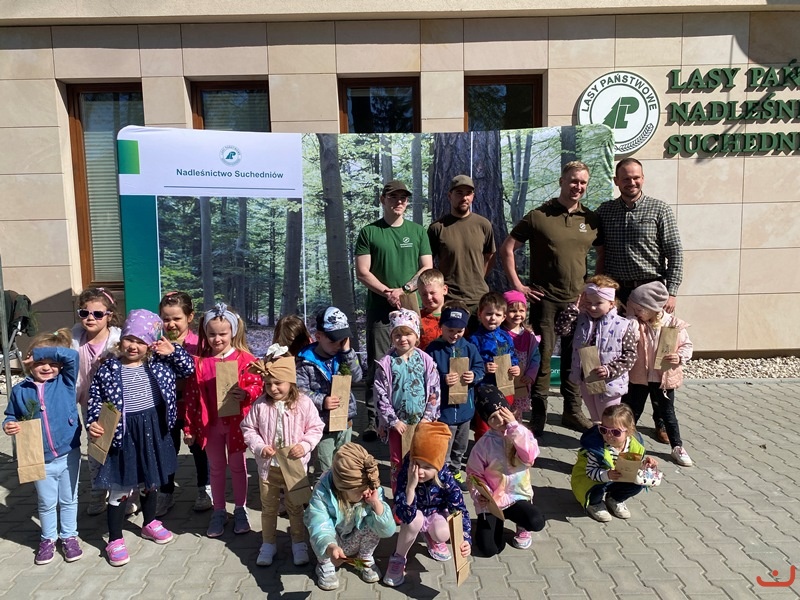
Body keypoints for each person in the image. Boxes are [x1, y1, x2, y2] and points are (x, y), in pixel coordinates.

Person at [499, 160, 602, 435]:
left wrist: (592, 289)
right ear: (561, 181)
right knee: (543, 358)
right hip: (545, 301)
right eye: (573, 181)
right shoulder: (538, 216)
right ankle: (539, 415)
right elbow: (507, 249)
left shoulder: (591, 220)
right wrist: (518, 285)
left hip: (578, 302)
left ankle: (572, 411)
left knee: (576, 357)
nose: (577, 186)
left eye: (582, 182)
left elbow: (601, 254)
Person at [87, 309, 195, 566]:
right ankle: (115, 538)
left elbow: (188, 369)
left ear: (150, 344)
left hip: (153, 429)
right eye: (129, 339)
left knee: (151, 480)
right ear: (121, 339)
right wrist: (92, 422)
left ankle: (150, 522)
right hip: (123, 433)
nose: (133, 346)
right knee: (121, 485)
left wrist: (174, 351)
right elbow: (95, 397)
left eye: (140, 341)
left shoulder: (160, 363)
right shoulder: (109, 367)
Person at [597, 158, 684, 444]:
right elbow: (599, 252)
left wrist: (672, 291)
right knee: (626, 356)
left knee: (659, 359)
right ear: (616, 181)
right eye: (625, 178)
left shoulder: (659, 209)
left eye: (636, 177)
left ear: (643, 178)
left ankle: (662, 420)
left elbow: (675, 252)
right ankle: (621, 420)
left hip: (653, 294)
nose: (631, 182)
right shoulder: (605, 211)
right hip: (620, 296)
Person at [355, 180, 433, 443]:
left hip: (410, 307)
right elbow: (362, 272)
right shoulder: (369, 232)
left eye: (403, 197)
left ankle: (412, 414)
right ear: (383, 200)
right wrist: (387, 292)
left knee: (411, 361)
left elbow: (427, 267)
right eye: (393, 197)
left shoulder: (417, 231)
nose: (399, 201)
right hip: (379, 308)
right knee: (379, 363)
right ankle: (374, 421)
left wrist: (405, 289)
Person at [183, 303, 263, 538]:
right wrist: (189, 427)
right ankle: (218, 510)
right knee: (216, 468)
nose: (217, 339)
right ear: (205, 333)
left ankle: (240, 508)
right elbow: (192, 397)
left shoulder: (245, 359)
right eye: (211, 334)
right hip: (211, 425)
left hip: (237, 424)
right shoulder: (199, 362)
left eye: (222, 334)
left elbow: (257, 385)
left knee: (238, 466)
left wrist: (246, 393)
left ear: (233, 332)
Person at [241, 345, 325, 567]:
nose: (273, 388)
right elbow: (248, 428)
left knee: (295, 506)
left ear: (291, 382)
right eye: (268, 384)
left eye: (278, 383)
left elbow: (316, 427)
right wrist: (260, 447)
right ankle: (268, 543)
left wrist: (305, 445)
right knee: (268, 507)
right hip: (268, 468)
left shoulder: (303, 403)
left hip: (294, 468)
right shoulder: (261, 405)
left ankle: (298, 542)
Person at [4, 330, 82, 565]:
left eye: (52, 362)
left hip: (68, 452)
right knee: (46, 502)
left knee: (68, 499)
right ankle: (48, 538)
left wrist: (40, 353)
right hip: (39, 456)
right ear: (29, 362)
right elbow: (11, 415)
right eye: (40, 362)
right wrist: (9, 425)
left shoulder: (65, 382)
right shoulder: (20, 390)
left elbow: (72, 356)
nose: (46, 367)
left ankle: (69, 536)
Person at [384, 421, 472, 587]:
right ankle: (398, 557)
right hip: (413, 513)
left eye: (427, 467)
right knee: (413, 521)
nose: (420, 471)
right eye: (416, 463)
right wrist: (410, 487)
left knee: (443, 533)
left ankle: (432, 537)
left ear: (438, 466)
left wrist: (465, 538)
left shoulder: (445, 477)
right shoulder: (407, 472)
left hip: (434, 513)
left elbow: (459, 509)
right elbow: (404, 515)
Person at [304, 443, 395, 591]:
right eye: (360, 490)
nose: (367, 492)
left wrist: (376, 504)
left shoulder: (371, 487)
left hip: (355, 538)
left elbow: (388, 531)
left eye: (369, 488)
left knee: (375, 521)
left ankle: (363, 559)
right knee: (317, 531)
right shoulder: (322, 491)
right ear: (343, 487)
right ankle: (325, 564)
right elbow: (319, 525)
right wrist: (330, 547)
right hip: (333, 542)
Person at [466, 386, 545, 557]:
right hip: (493, 501)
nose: (500, 420)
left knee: (536, 521)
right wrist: (481, 493)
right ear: (487, 422)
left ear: (508, 410)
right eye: (493, 418)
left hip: (518, 496)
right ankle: (496, 524)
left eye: (502, 413)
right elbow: (473, 474)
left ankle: (522, 524)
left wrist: (514, 428)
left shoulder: (522, 432)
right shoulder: (483, 445)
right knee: (490, 549)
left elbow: (529, 457)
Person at [624, 281, 694, 467]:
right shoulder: (636, 323)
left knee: (667, 414)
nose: (636, 313)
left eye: (639, 309)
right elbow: (629, 336)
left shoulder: (673, 324)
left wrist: (679, 357)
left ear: (653, 308)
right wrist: (631, 319)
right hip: (640, 377)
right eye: (633, 309)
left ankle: (677, 446)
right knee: (631, 411)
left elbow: (687, 345)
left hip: (663, 379)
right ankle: (623, 443)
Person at [156, 291, 211, 516]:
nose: (171, 324)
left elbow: (200, 373)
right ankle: (166, 492)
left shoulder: (199, 344)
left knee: (199, 450)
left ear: (189, 317)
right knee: (167, 449)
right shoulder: (156, 344)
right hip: (166, 408)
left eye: (176, 318)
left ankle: (204, 489)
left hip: (193, 407)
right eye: (166, 319)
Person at [554, 276, 638, 423]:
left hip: (609, 383)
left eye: (598, 303)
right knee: (596, 420)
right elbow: (561, 330)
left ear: (611, 303)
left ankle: (613, 437)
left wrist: (610, 369)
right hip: (587, 378)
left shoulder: (623, 325)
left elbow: (630, 355)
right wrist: (573, 310)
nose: (592, 307)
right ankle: (599, 436)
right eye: (588, 303)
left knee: (610, 419)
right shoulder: (580, 320)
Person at [374, 309, 441, 493]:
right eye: (397, 335)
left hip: (421, 423)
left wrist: (428, 417)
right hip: (398, 425)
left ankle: (419, 497)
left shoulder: (426, 361)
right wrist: (393, 420)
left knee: (421, 460)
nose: (402, 339)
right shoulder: (386, 363)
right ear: (391, 337)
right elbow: (380, 395)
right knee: (398, 462)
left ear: (416, 335)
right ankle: (400, 498)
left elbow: (434, 391)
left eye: (408, 334)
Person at [70, 287, 122, 516]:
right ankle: (98, 491)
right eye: (85, 313)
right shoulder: (74, 339)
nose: (90, 318)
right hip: (86, 401)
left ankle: (124, 492)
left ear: (109, 315)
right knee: (95, 447)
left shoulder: (118, 341)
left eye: (98, 314)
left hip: (114, 403)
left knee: (118, 446)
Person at [296, 307, 363, 476]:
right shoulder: (305, 361)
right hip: (322, 427)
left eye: (342, 340)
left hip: (345, 423)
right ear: (319, 336)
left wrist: (347, 352)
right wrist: (322, 400)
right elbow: (299, 391)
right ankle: (323, 491)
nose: (338, 345)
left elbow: (357, 377)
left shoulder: (344, 355)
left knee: (345, 465)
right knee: (325, 469)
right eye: (333, 340)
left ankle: (342, 491)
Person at [424, 304, 485, 490]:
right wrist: (442, 379)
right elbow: (425, 374)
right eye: (450, 330)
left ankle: (456, 469)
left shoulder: (469, 348)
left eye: (460, 331)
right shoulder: (433, 349)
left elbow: (480, 367)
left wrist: (474, 376)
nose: (455, 334)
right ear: (441, 327)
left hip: (465, 410)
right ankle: (442, 472)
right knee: (445, 445)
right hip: (444, 411)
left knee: (460, 445)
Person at [571, 404, 658, 522]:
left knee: (637, 484)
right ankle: (594, 503)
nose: (608, 435)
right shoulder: (597, 448)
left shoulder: (634, 445)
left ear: (629, 431)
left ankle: (615, 499)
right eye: (603, 430)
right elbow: (590, 472)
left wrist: (645, 464)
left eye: (616, 432)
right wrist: (607, 475)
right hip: (592, 480)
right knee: (597, 488)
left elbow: (634, 466)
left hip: (617, 478)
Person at [427, 174, 496, 315]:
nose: (464, 198)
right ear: (449, 196)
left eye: (468, 193)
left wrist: (478, 278)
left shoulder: (484, 225)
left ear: (473, 197)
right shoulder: (437, 228)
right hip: (449, 299)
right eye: (459, 193)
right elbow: (428, 264)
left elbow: (489, 255)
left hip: (479, 299)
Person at [468, 292, 520, 441]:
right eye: (489, 314)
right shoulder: (474, 339)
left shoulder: (505, 336)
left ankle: (503, 449)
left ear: (504, 317)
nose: (493, 318)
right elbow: (470, 363)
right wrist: (484, 368)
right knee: (485, 425)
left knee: (505, 421)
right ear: (480, 314)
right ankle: (482, 450)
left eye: (497, 315)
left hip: (504, 386)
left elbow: (512, 355)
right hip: (485, 388)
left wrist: (515, 367)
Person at [501, 290, 541, 422]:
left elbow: (535, 357)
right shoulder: (499, 334)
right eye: (512, 311)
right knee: (502, 411)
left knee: (516, 413)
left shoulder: (529, 335)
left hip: (521, 382)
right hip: (504, 381)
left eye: (521, 311)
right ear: (504, 312)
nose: (517, 314)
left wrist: (530, 375)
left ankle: (515, 433)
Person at [417, 268, 447, 350]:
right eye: (424, 294)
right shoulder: (417, 318)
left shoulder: (453, 315)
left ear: (444, 290)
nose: (429, 297)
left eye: (432, 293)